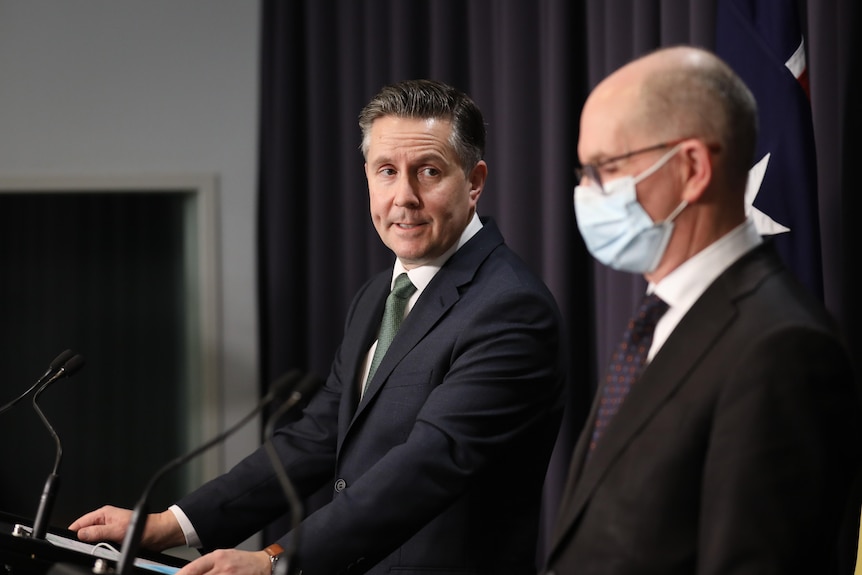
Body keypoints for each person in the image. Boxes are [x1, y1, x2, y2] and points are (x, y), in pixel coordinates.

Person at [69, 79, 567, 575]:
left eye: (429, 172)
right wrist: (171, 524)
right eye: (387, 171)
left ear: (474, 181)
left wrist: (275, 561)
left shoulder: (510, 308)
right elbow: (319, 435)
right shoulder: (379, 293)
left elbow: (428, 465)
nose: (404, 197)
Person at [543, 46, 862, 574]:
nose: (584, 192)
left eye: (605, 168)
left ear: (691, 167)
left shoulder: (782, 348)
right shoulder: (660, 317)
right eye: (584, 171)